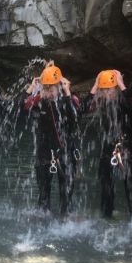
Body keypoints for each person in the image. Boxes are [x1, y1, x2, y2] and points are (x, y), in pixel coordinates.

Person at [82, 70, 132, 218]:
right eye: (104, 90)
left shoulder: (126, 101)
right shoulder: (102, 102)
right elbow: (82, 109)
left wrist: (121, 85)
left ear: (116, 89)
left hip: (129, 147)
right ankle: (106, 215)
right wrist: (95, 87)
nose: (107, 93)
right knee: (106, 184)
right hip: (109, 147)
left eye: (110, 90)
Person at [23, 61, 79, 214]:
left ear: (60, 86)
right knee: (43, 197)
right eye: (46, 88)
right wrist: (31, 89)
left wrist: (67, 93)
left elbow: (74, 118)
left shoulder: (70, 99)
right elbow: (22, 108)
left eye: (52, 88)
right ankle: (42, 223)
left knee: (66, 197)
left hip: (65, 152)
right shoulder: (39, 102)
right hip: (44, 153)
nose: (50, 93)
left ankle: (66, 222)